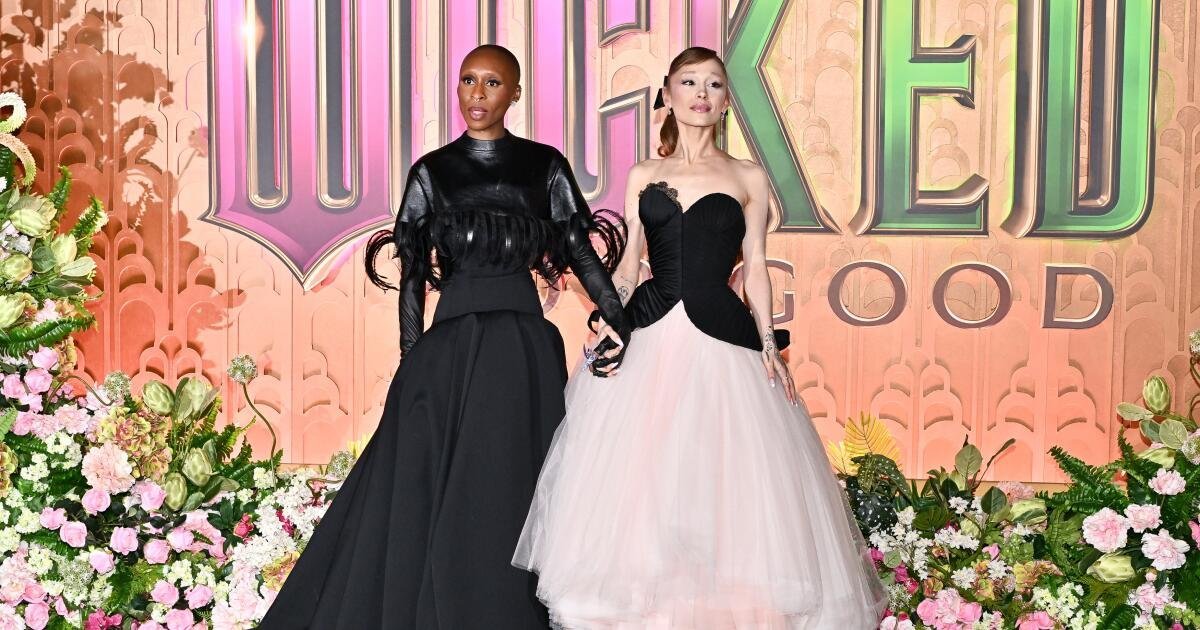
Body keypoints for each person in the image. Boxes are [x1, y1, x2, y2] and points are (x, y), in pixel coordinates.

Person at [513, 47, 887, 629]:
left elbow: (756, 267)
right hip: (650, 336)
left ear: (725, 101)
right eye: (689, 82)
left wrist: (770, 346)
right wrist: (608, 318)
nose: (701, 94)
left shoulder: (747, 176)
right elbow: (630, 265)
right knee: (645, 483)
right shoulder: (644, 174)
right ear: (667, 94)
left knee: (726, 484)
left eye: (713, 84)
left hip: (723, 341)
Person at [260, 44, 631, 629]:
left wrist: (618, 319)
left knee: (513, 491)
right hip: (449, 351)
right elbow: (413, 279)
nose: (477, 94)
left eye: (492, 83)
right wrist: (412, 358)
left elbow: (581, 253)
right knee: (422, 493)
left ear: (515, 93)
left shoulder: (544, 166)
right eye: (467, 80)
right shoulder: (432, 172)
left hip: (521, 353)